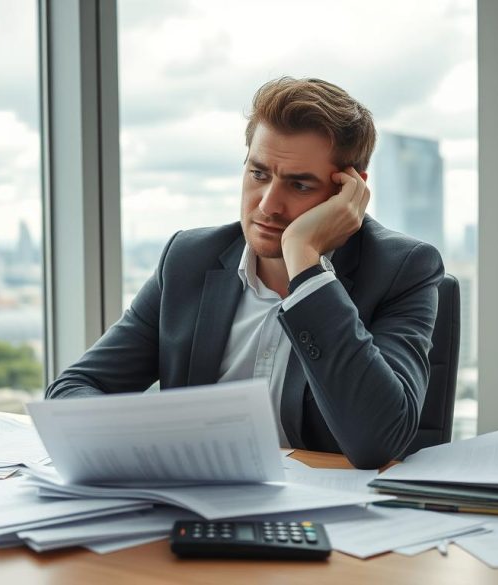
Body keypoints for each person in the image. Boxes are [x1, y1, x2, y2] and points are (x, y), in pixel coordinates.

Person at [45, 77, 444, 469]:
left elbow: (376, 442)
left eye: (300, 185)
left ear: (349, 192)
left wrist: (305, 261)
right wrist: (155, 446)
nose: (269, 205)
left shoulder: (402, 270)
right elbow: (71, 393)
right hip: (195, 504)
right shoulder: (189, 258)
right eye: (258, 174)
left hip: (330, 520)